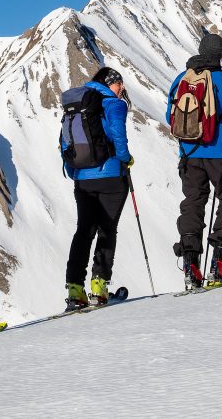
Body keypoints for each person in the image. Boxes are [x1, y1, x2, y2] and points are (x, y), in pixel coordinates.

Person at [167, 33, 222, 288]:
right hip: (221, 154)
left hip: (190, 156)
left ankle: (191, 264)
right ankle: (219, 263)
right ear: (220, 55)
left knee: (193, 203)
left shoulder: (182, 79)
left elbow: (170, 117)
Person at [62, 67, 133, 310]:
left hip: (82, 179)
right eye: (119, 84)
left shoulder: (76, 103)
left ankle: (74, 289)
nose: (121, 89)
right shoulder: (114, 104)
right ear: (109, 82)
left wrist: (75, 171)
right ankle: (99, 287)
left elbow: (64, 141)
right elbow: (118, 136)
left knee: (83, 231)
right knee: (107, 230)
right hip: (111, 176)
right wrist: (125, 158)